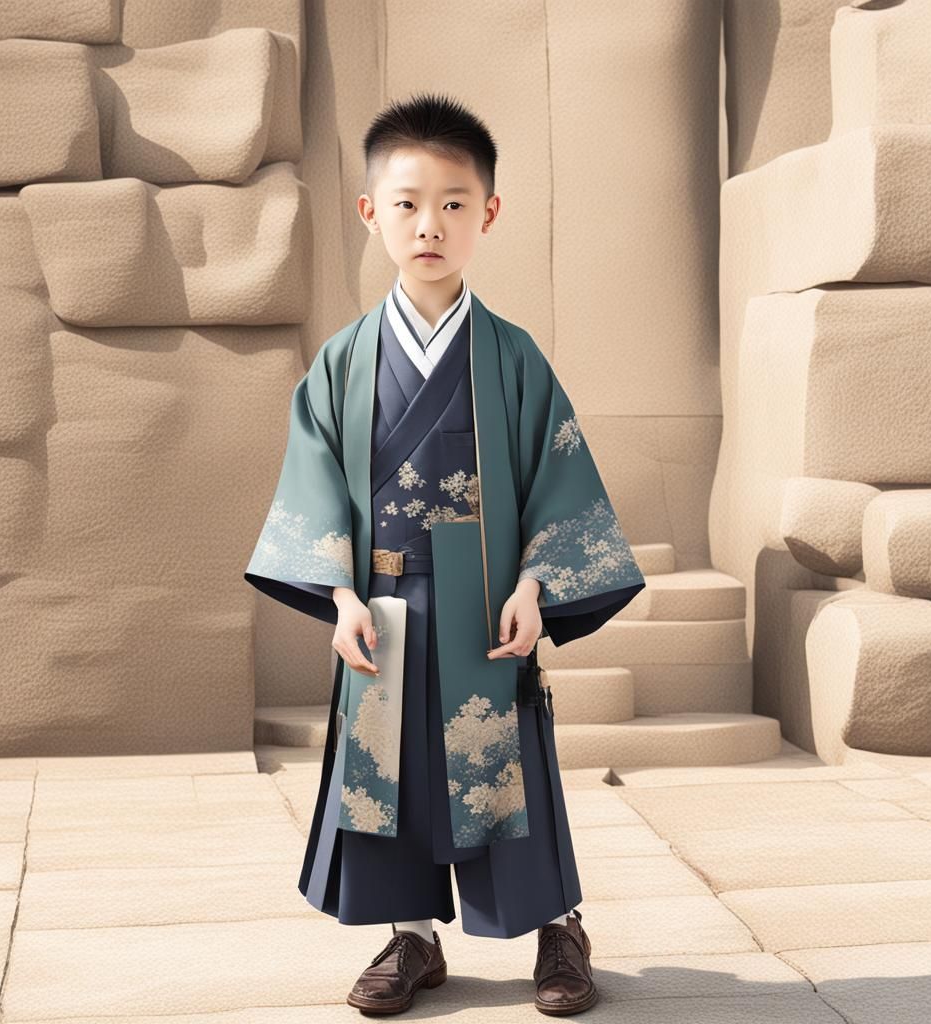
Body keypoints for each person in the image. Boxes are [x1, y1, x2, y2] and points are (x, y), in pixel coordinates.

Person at [243, 91, 646, 1015]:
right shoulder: (342, 364)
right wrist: (337, 596)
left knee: (505, 763)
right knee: (390, 776)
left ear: (488, 215)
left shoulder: (513, 358)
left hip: (487, 601)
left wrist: (540, 582)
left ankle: (559, 931)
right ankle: (412, 940)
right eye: (409, 202)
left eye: (455, 204)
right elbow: (314, 488)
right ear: (371, 212)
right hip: (379, 603)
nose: (430, 225)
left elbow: (560, 480)